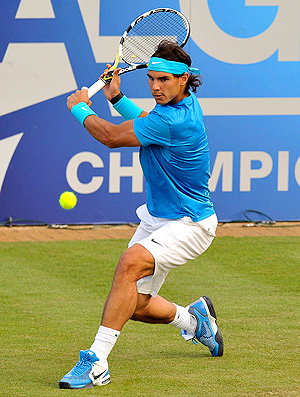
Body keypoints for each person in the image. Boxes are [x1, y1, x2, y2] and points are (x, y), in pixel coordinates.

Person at [59, 41, 223, 390]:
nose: (155, 87)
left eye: (163, 80)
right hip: (158, 217)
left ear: (184, 80)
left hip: (190, 223)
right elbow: (145, 121)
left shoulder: (176, 120)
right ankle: (194, 322)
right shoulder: (172, 112)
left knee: (130, 262)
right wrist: (116, 98)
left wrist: (80, 109)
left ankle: (96, 360)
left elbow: (109, 136)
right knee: (132, 304)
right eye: (150, 79)